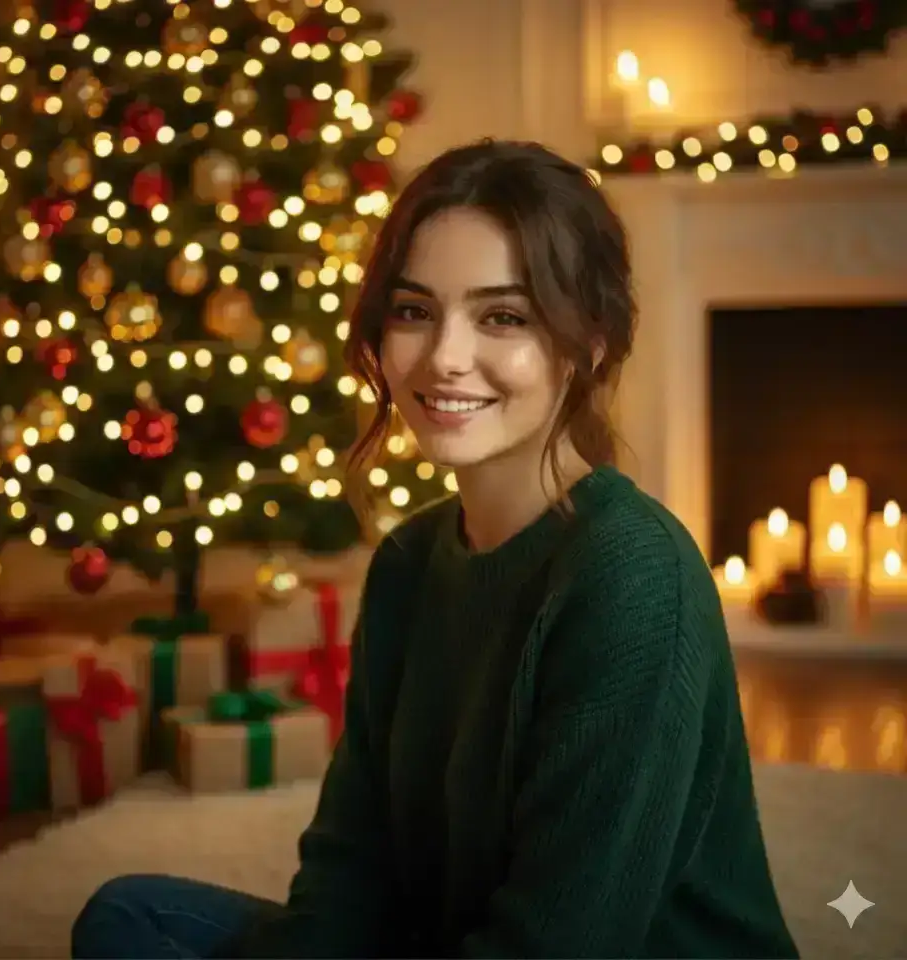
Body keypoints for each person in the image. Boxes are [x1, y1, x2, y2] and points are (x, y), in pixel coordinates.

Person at [70, 139, 800, 959]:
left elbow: (558, 946)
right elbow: (352, 858)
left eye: (503, 317)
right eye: (415, 311)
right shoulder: (411, 561)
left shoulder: (633, 578)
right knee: (129, 918)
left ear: (588, 344)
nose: (445, 358)